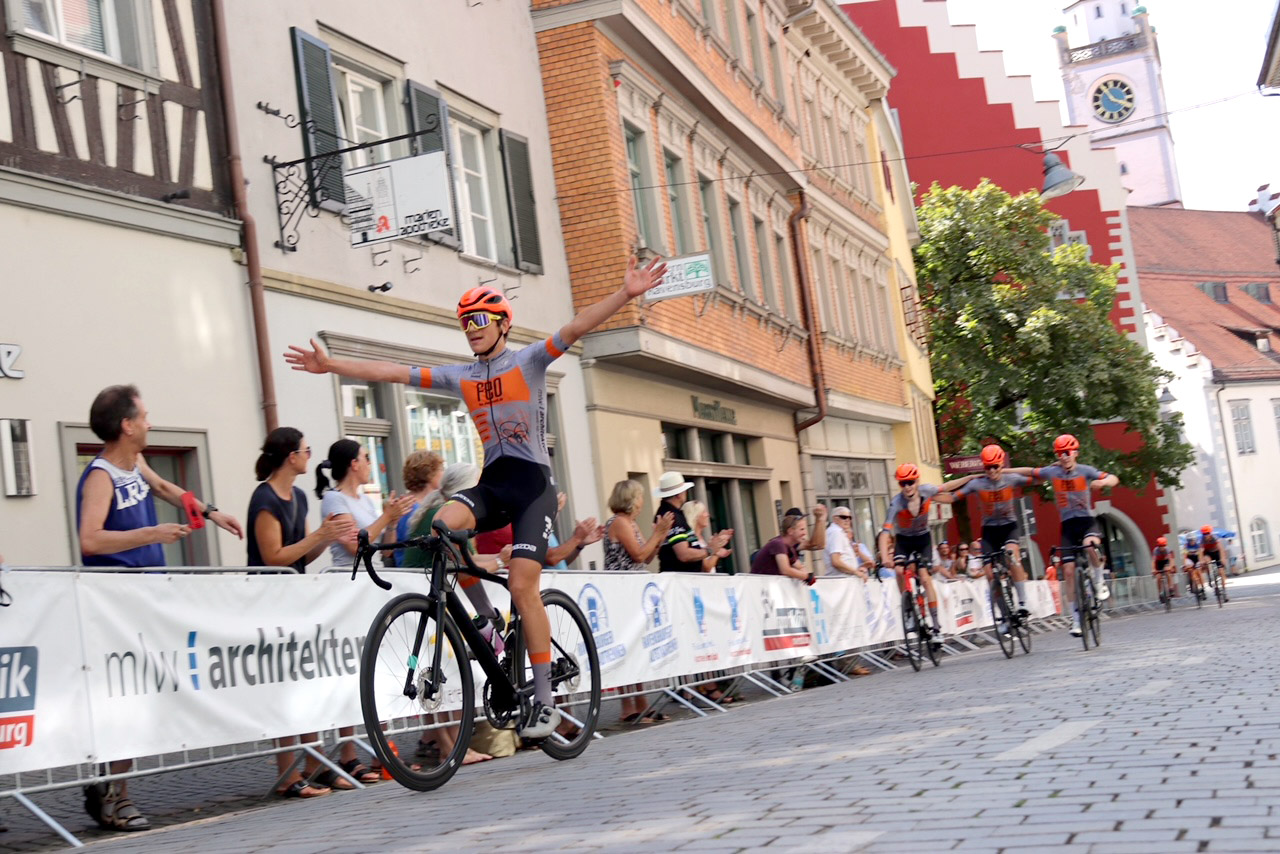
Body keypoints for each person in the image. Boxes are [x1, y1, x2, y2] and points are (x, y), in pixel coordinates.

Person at [286, 256, 669, 738]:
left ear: (502, 325)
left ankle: (546, 700)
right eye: (465, 322)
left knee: (524, 584)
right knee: (444, 526)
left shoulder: (529, 361)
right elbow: (394, 372)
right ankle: (486, 624)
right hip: (493, 482)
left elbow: (574, 327)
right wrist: (331, 365)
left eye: (480, 320)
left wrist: (625, 293)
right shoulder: (461, 375)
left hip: (533, 488)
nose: (471, 329)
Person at [75, 385, 244, 832]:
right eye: (145, 416)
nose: (151, 422)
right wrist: (151, 535)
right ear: (126, 425)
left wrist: (212, 512)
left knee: (139, 696)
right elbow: (90, 539)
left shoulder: (135, 463)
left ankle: (113, 787)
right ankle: (113, 794)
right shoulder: (100, 475)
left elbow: (166, 487)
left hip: (145, 597)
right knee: (124, 696)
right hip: (115, 599)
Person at [246, 427, 356, 798]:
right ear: (290, 457)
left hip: (294, 599)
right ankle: (288, 775)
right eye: (306, 450)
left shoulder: (297, 497)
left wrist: (323, 539)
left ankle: (315, 765)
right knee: (284, 688)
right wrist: (318, 537)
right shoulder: (265, 498)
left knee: (308, 684)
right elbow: (273, 556)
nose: (310, 455)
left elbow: (302, 553)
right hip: (269, 603)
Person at [314, 439, 412, 785]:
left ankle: (383, 752)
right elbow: (354, 543)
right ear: (354, 464)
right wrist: (387, 517)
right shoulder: (334, 498)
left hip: (371, 584)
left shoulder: (364, 500)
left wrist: (392, 518)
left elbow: (381, 542)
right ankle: (348, 755)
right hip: (347, 585)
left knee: (379, 669)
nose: (370, 462)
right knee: (351, 670)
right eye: (366, 458)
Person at [1013, 434, 1119, 637]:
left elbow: (1113, 478)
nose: (1064, 457)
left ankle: (1098, 580)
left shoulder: (1086, 471)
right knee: (1068, 572)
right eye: (1060, 453)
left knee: (1090, 547)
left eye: (1067, 452)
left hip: (1087, 522)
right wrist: (1002, 470)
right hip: (1068, 526)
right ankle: (1076, 619)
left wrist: (1103, 483)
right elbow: (1029, 471)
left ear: (1075, 453)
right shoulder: (1053, 472)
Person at [602, 479, 674, 724]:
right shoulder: (620, 523)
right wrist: (657, 533)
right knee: (628, 647)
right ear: (631, 499)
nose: (643, 502)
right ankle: (629, 707)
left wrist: (660, 537)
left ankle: (641, 703)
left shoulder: (630, 523)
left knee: (637, 647)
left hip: (632, 590)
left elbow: (647, 556)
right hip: (621, 592)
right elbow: (638, 554)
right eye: (640, 497)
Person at [875, 463, 970, 638]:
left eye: (910, 482)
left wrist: (970, 478)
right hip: (904, 540)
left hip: (923, 539)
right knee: (898, 569)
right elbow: (885, 532)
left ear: (917, 481)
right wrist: (884, 557)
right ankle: (909, 609)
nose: (907, 487)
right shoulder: (896, 503)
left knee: (925, 578)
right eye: (903, 483)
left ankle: (935, 626)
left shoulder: (927, 491)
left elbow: (948, 486)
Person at [954, 445, 1033, 626]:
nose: (991, 471)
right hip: (989, 531)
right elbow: (951, 496)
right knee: (990, 576)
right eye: (987, 467)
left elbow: (1037, 475)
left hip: (1009, 527)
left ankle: (1023, 603)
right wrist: (931, 493)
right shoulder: (978, 483)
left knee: (1012, 556)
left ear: (1001, 465)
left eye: (995, 466)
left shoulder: (1011, 478)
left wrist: (1006, 470)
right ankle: (1005, 616)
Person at [653, 472, 732, 573]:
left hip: (685, 578)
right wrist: (710, 550)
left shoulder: (675, 514)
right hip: (681, 580)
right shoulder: (671, 516)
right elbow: (683, 554)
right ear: (679, 494)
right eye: (684, 490)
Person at [392, 451, 444, 566]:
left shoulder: (428, 503)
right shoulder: (407, 506)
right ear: (429, 473)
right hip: (414, 574)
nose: (443, 473)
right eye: (441, 469)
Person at [751, 515, 813, 581]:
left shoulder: (789, 548)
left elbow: (799, 567)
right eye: (802, 529)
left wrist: (805, 574)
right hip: (758, 587)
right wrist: (805, 576)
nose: (805, 533)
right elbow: (785, 570)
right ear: (790, 531)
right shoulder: (778, 544)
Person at [824, 506, 873, 579]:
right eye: (843, 517)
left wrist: (857, 569)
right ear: (835, 519)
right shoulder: (836, 532)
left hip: (844, 579)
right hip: (842, 580)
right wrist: (855, 572)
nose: (847, 520)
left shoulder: (837, 532)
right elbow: (836, 561)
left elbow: (843, 560)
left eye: (849, 517)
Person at [1196, 525, 1229, 602]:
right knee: (1206, 560)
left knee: (1221, 572)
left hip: (1217, 553)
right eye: (1204, 534)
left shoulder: (1215, 538)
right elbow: (1200, 551)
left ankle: (1224, 592)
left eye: (1207, 533)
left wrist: (1223, 558)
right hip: (1208, 553)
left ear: (1210, 533)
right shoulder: (1202, 540)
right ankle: (1210, 576)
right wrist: (1201, 561)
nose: (1206, 535)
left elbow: (1221, 549)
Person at [1151, 535, 1176, 600]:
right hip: (1159, 563)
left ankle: (1171, 588)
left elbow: (1171, 559)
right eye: (1160, 546)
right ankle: (1160, 593)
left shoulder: (1168, 550)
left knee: (1167, 572)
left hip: (1166, 562)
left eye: (1163, 546)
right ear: (1158, 546)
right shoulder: (1155, 551)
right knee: (1158, 577)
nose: (1162, 548)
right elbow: (1153, 561)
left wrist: (1171, 567)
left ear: (1165, 545)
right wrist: (1153, 569)